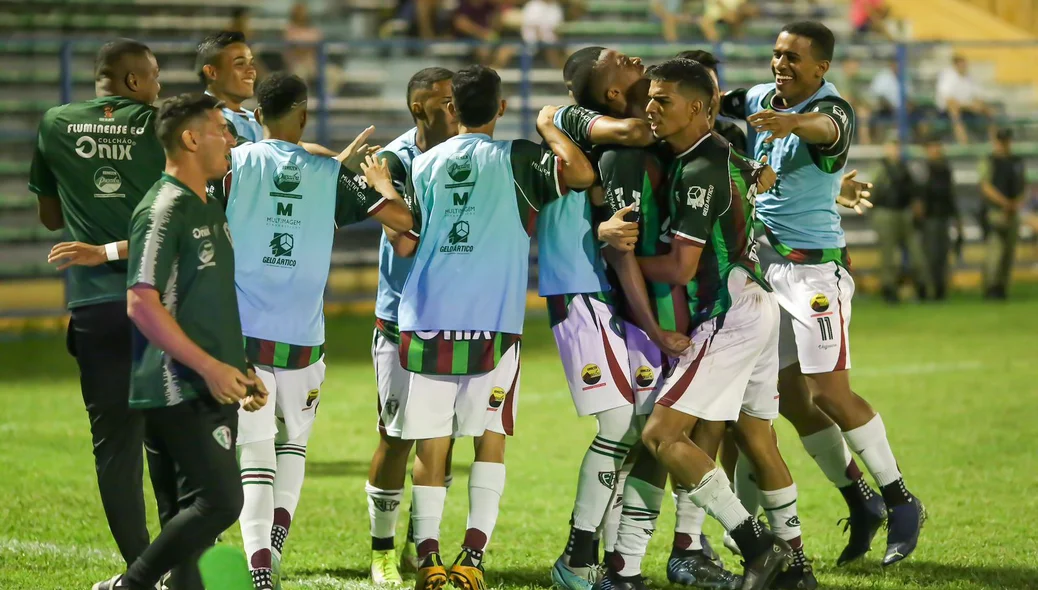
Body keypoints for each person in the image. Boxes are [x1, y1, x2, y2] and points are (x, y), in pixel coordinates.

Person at [364, 65, 594, 590]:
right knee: (489, 439)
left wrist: (382, 192)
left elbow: (406, 241)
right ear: (502, 106)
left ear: (452, 109)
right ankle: (472, 558)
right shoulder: (518, 158)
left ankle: (428, 560)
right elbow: (579, 173)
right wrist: (552, 128)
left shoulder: (423, 165)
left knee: (431, 446)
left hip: (426, 320)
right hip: (493, 323)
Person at [720, 21, 925, 567]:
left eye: (794, 58)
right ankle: (859, 499)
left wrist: (792, 123)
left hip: (814, 277)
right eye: (777, 54)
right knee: (780, 400)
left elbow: (824, 129)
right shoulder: (761, 98)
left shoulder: (833, 110)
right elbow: (717, 99)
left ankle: (901, 499)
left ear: (822, 68)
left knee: (830, 393)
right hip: (765, 267)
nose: (781, 64)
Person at [605, 58, 798, 590]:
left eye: (662, 100)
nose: (649, 107)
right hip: (759, 303)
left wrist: (614, 258)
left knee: (662, 435)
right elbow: (755, 172)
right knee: (757, 437)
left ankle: (757, 546)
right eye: (649, 97)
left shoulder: (699, 170)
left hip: (729, 311)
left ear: (697, 107)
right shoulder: (718, 151)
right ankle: (796, 569)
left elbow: (680, 267)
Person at [216, 73, 413, 590]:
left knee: (254, 453)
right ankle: (274, 549)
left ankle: (259, 569)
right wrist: (372, 183)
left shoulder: (233, 165)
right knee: (292, 447)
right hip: (304, 337)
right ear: (303, 116)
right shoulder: (328, 175)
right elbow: (401, 219)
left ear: (258, 116)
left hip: (242, 336)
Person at [92, 93, 268, 590]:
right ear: (191, 138)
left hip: (209, 383)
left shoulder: (206, 206)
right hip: (177, 386)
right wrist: (210, 368)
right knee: (221, 502)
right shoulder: (163, 207)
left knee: (190, 533)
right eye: (220, 129)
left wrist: (239, 367)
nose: (231, 139)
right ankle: (130, 586)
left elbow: (205, 301)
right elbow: (141, 302)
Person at [545, 49, 701, 590]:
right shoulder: (572, 120)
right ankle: (577, 554)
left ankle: (614, 563)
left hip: (611, 294)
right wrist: (547, 117)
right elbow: (625, 138)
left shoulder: (625, 137)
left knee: (638, 428)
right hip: (580, 285)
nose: (634, 58)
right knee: (618, 427)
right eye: (621, 61)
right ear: (611, 91)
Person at [30, 38, 164, 572]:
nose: (157, 87)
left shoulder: (54, 123)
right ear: (133, 81)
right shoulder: (162, 125)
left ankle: (141, 568)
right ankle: (186, 558)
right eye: (153, 76)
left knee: (115, 448)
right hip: (161, 305)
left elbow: (47, 217)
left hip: (94, 308)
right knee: (177, 439)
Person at [364, 66, 458, 585]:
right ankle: (381, 551)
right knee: (396, 437)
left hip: (454, 318)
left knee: (441, 443)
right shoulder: (395, 160)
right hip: (401, 318)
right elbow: (405, 240)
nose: (454, 109)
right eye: (444, 102)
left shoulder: (465, 149)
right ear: (419, 107)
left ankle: (424, 549)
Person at [868, 138, 930, 303]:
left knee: (916, 254)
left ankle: (921, 287)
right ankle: (889, 290)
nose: (895, 150)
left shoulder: (904, 167)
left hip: (904, 213)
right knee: (888, 256)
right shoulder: (881, 168)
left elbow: (913, 190)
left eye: (897, 146)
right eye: (892, 146)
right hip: (886, 213)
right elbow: (872, 191)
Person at [979, 128, 1027, 300]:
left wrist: (1016, 203)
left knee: (1008, 251)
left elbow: (1024, 185)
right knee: (995, 251)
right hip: (996, 211)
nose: (1003, 144)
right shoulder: (989, 160)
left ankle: (1002, 287)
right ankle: (991, 286)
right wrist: (1004, 203)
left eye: (1006, 140)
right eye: (1000, 140)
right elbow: (985, 186)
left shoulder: (1017, 161)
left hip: (1013, 211)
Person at [919, 138, 962, 301]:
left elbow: (950, 195)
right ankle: (928, 290)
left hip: (943, 217)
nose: (935, 150)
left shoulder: (945, 169)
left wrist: (956, 218)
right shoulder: (922, 169)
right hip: (929, 218)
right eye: (932, 147)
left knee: (942, 256)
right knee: (930, 256)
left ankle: (940, 290)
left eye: (937, 146)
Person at [935, 55, 992, 145]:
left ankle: (994, 140)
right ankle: (963, 142)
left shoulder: (969, 77)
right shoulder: (947, 77)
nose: (964, 66)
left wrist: (978, 104)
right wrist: (969, 106)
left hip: (967, 108)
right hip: (947, 110)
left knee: (989, 110)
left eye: (964, 64)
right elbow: (949, 100)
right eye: (961, 64)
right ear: (955, 65)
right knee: (954, 110)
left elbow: (978, 95)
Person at [452, 0, 516, 68]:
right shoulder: (464, 5)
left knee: (505, 51)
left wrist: (495, 25)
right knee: (484, 50)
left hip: (492, 40)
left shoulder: (490, 5)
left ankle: (494, 70)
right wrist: (481, 33)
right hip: (469, 41)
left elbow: (497, 24)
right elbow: (460, 23)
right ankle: (484, 71)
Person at [521, 0, 566, 68]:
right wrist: (543, 39)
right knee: (551, 47)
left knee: (567, 49)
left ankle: (559, 71)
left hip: (553, 38)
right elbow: (534, 26)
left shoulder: (555, 6)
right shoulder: (533, 4)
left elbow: (558, 26)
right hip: (532, 38)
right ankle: (558, 69)